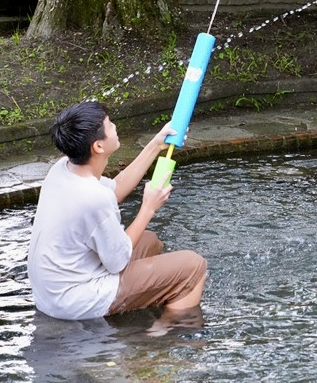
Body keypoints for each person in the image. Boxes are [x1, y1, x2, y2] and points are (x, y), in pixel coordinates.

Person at [28, 101, 207, 324]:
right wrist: (148, 208)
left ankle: (146, 305)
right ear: (98, 147)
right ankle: (165, 335)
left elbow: (115, 190)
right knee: (193, 266)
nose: (115, 127)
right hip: (73, 301)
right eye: (110, 124)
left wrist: (154, 145)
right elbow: (119, 261)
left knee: (149, 241)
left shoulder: (62, 170)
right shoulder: (93, 198)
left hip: (50, 293)